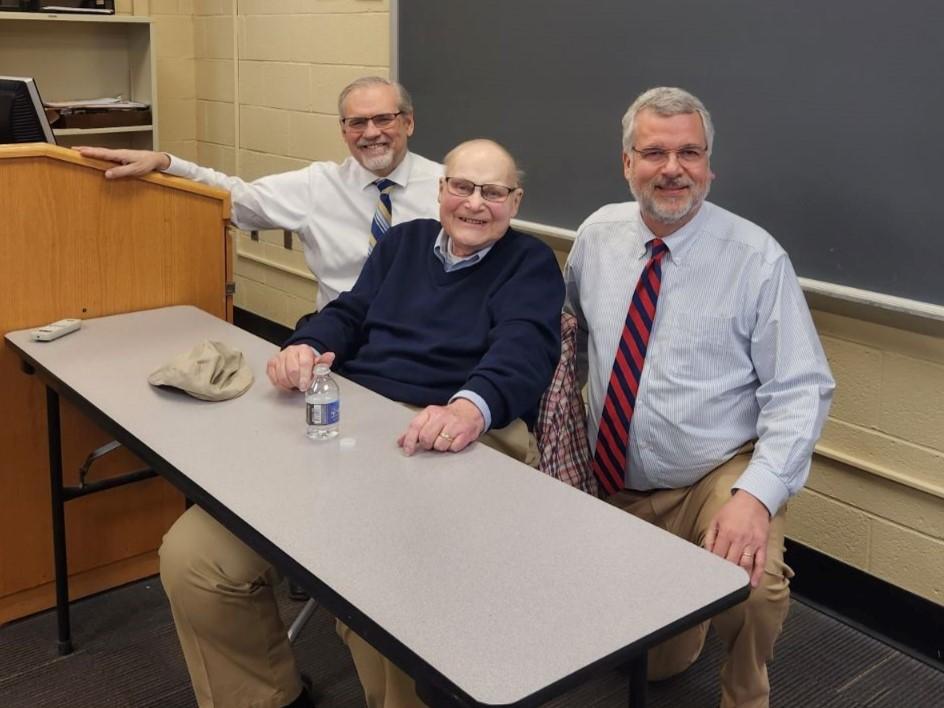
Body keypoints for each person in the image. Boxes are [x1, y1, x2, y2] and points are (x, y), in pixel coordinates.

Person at [159, 138, 565, 708]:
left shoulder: (530, 263)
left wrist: (470, 406)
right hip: (353, 421)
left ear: (514, 201)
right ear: (440, 190)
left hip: (450, 433)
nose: (475, 203)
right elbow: (350, 312)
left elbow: (524, 350)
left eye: (492, 192)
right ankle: (265, 697)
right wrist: (305, 344)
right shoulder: (404, 242)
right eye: (462, 187)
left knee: (376, 596)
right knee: (195, 557)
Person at [564, 87, 835, 708]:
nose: (673, 168)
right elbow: (571, 347)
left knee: (754, 582)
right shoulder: (596, 236)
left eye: (690, 152)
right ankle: (678, 611)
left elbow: (801, 390)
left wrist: (755, 499)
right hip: (618, 479)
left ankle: (746, 694)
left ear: (709, 164)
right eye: (654, 152)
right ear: (627, 163)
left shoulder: (756, 257)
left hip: (714, 470)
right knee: (653, 667)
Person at [76, 76, 442, 311]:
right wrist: (166, 162)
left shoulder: (450, 188)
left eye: (383, 119)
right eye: (357, 123)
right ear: (343, 131)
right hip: (341, 337)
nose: (370, 132)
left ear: (407, 122)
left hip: (420, 336)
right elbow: (237, 198)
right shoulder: (319, 185)